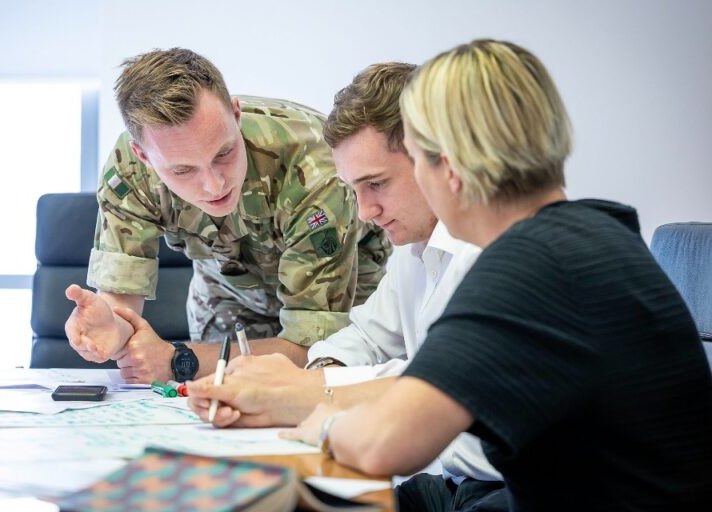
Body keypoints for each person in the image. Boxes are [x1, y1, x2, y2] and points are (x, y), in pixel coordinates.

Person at [279, 40, 712, 511]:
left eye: (420, 159)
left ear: (453, 162)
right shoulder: (592, 234)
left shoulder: (529, 265)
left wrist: (318, 420)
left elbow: (390, 440)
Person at [187, 62, 507, 511]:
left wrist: (303, 396)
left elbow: (443, 403)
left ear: (439, 156)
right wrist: (315, 377)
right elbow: (366, 335)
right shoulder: (417, 247)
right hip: (455, 484)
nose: (365, 212)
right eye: (353, 189)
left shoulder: (492, 256)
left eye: (376, 184)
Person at [63, 48, 390, 383]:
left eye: (224, 153)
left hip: (341, 291)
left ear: (236, 115)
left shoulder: (316, 168)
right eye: (183, 170)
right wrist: (111, 328)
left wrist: (179, 360)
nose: (214, 184)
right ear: (143, 156)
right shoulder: (129, 173)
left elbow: (315, 345)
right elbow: (122, 308)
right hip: (227, 292)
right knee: (219, 403)